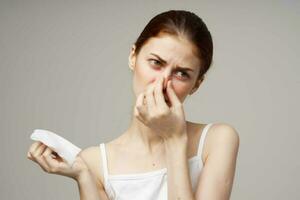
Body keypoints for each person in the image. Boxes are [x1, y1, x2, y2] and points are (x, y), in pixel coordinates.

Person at [27, 9, 240, 200]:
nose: (162, 82)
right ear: (133, 56)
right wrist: (84, 175)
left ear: (196, 85)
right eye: (156, 63)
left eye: (182, 74)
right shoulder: (95, 162)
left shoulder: (217, 140)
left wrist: (175, 139)